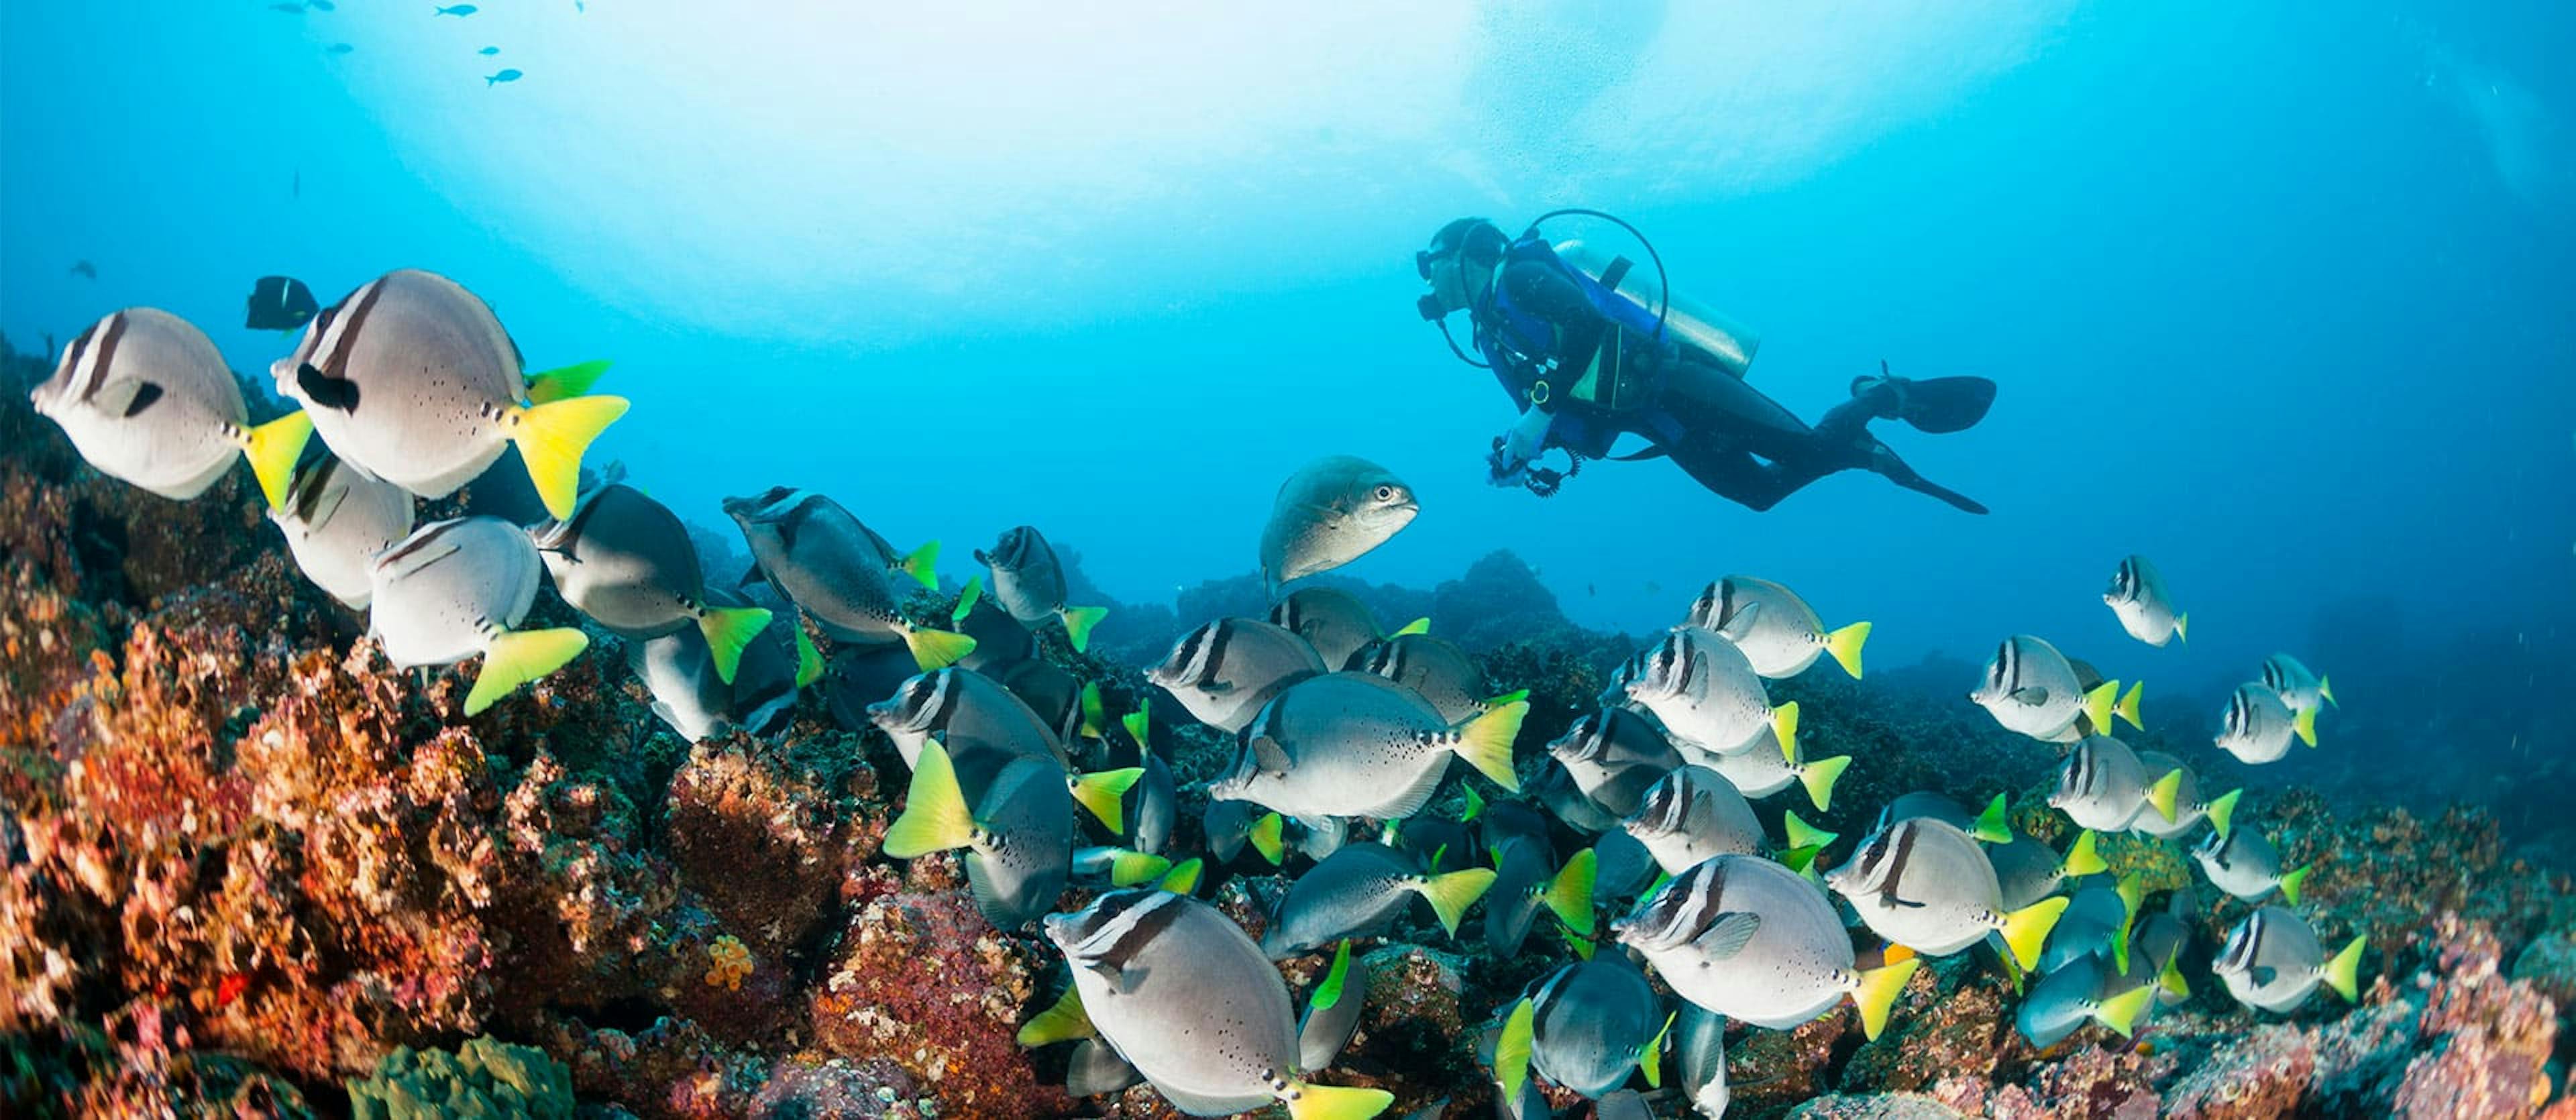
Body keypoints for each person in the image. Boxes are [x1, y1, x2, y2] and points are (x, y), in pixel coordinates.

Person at [1413, 214, 1995, 513]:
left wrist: (1535, 418)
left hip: (1682, 383)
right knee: (1761, 495)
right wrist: (1520, 451)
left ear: (1464, 255)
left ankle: (1879, 395)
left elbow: (1589, 327)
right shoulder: (1492, 335)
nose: (1430, 278)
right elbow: (1558, 407)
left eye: (1431, 262)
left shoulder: (1520, 276)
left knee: (1805, 453)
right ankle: (1857, 447)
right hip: (1660, 424)